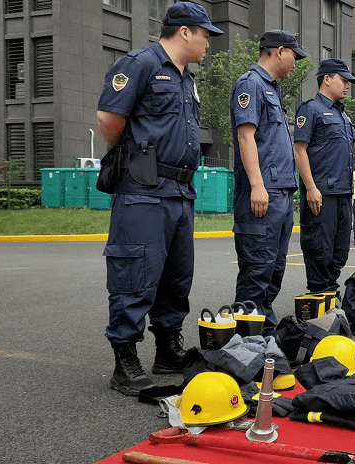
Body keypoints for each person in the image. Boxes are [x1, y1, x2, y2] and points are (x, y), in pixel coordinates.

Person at [97, 2, 223, 395]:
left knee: (175, 278)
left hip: (181, 191)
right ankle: (124, 359)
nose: (208, 43)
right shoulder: (141, 63)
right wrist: (137, 158)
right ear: (184, 31)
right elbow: (108, 118)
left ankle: (167, 349)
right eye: (205, 34)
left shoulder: (186, 78)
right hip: (145, 191)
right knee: (135, 274)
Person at [231, 29, 308, 335]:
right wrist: (257, 186)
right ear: (278, 52)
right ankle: (247, 340)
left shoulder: (272, 90)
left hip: (281, 194)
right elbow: (245, 136)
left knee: (274, 268)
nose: (295, 63)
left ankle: (262, 330)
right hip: (264, 192)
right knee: (257, 269)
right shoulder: (250, 84)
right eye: (293, 56)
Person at [294, 59, 355, 293]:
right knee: (319, 250)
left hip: (342, 192)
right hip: (321, 193)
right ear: (327, 79)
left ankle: (330, 292)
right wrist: (310, 187)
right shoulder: (311, 109)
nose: (348, 85)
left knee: (340, 251)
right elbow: (300, 150)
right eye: (343, 80)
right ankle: (319, 298)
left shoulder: (343, 115)